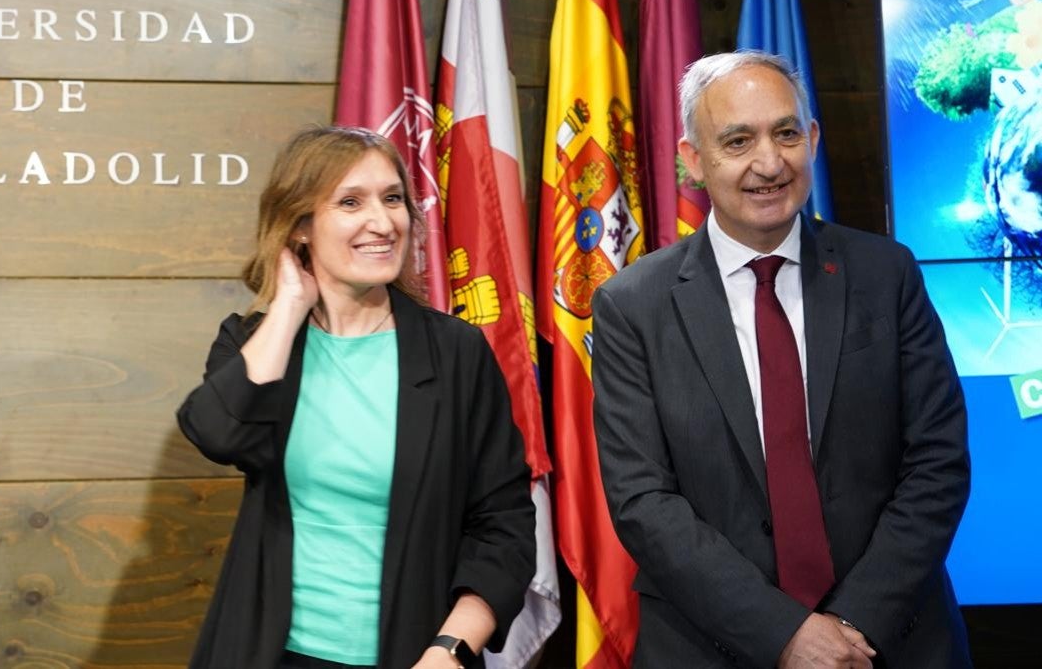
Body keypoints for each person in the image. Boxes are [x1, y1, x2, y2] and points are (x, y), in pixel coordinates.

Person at [591, 51, 972, 668]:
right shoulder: (631, 306)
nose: (769, 163)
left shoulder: (887, 273)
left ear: (812, 139)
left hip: (894, 638)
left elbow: (938, 459)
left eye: (786, 133)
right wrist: (786, 634)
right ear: (692, 159)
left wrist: (851, 623)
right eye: (737, 141)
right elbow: (642, 499)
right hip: (709, 645)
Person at [176, 126, 535, 669]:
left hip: (421, 655)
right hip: (271, 653)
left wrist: (450, 650)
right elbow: (217, 434)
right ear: (300, 227)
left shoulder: (457, 352)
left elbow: (503, 526)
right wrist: (289, 306)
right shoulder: (255, 343)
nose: (383, 221)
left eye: (393, 199)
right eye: (350, 202)